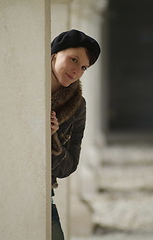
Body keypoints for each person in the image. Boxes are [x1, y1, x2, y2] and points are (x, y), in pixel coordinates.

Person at [51, 29, 101, 240]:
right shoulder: (20, 88)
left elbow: (68, 167)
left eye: (83, 67)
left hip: (41, 191)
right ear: (54, 54)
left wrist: (51, 141)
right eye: (73, 60)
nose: (76, 71)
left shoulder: (77, 106)